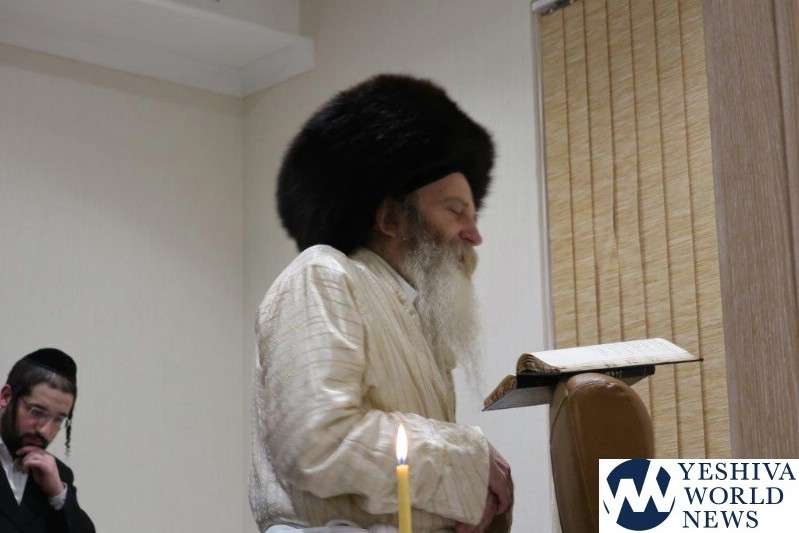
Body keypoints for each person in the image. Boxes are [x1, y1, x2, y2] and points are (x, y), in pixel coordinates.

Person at [250, 74, 513, 533]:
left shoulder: (417, 320)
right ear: (391, 218)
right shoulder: (323, 276)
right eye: (455, 211)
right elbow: (319, 442)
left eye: (473, 216)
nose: (474, 235)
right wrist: (470, 462)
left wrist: (463, 504)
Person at [0, 348, 95, 533]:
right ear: (5, 397)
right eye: (36, 412)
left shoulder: (57, 474)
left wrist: (58, 494)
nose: (45, 430)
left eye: (58, 419)